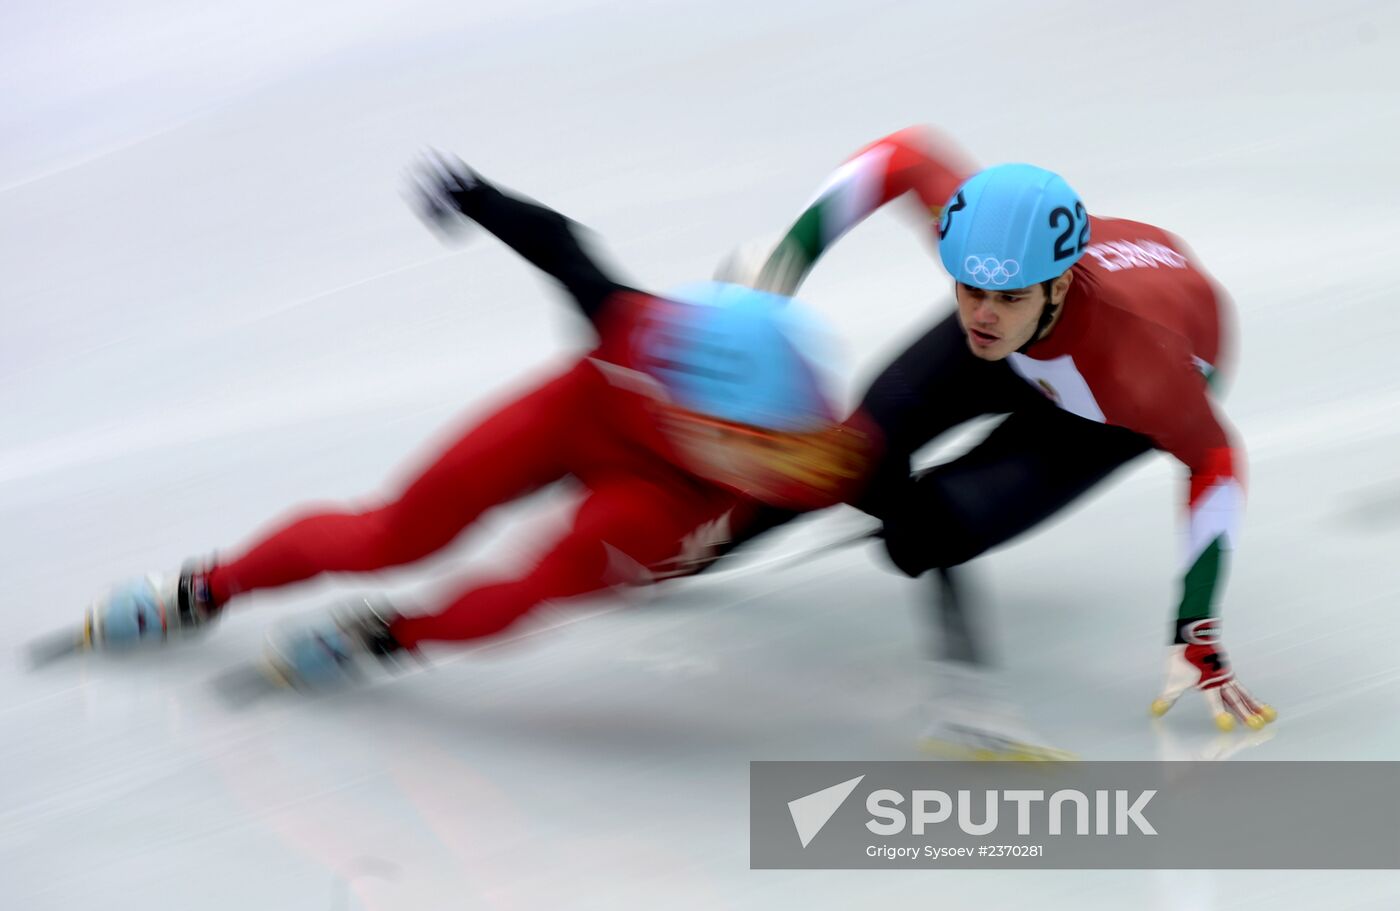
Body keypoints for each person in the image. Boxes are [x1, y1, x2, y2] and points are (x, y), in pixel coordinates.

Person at [80, 154, 873, 690]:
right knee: (392, 535)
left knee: (536, 587)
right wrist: (479, 199)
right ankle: (204, 587)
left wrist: (716, 548)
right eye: (711, 425)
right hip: (578, 415)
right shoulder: (644, 334)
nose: (734, 447)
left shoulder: (819, 464)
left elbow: (910, 506)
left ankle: (391, 635)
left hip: (664, 505)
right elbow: (564, 249)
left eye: (752, 444)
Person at [731, 126, 1274, 741]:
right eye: (968, 289)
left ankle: (903, 535)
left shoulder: (1135, 375)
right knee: (854, 446)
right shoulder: (993, 257)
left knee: (930, 530)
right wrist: (782, 269)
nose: (982, 314)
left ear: (1058, 285)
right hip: (1044, 335)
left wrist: (1195, 624)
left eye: (1006, 297)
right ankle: (706, 537)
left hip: (1109, 404)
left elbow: (1216, 459)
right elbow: (901, 157)